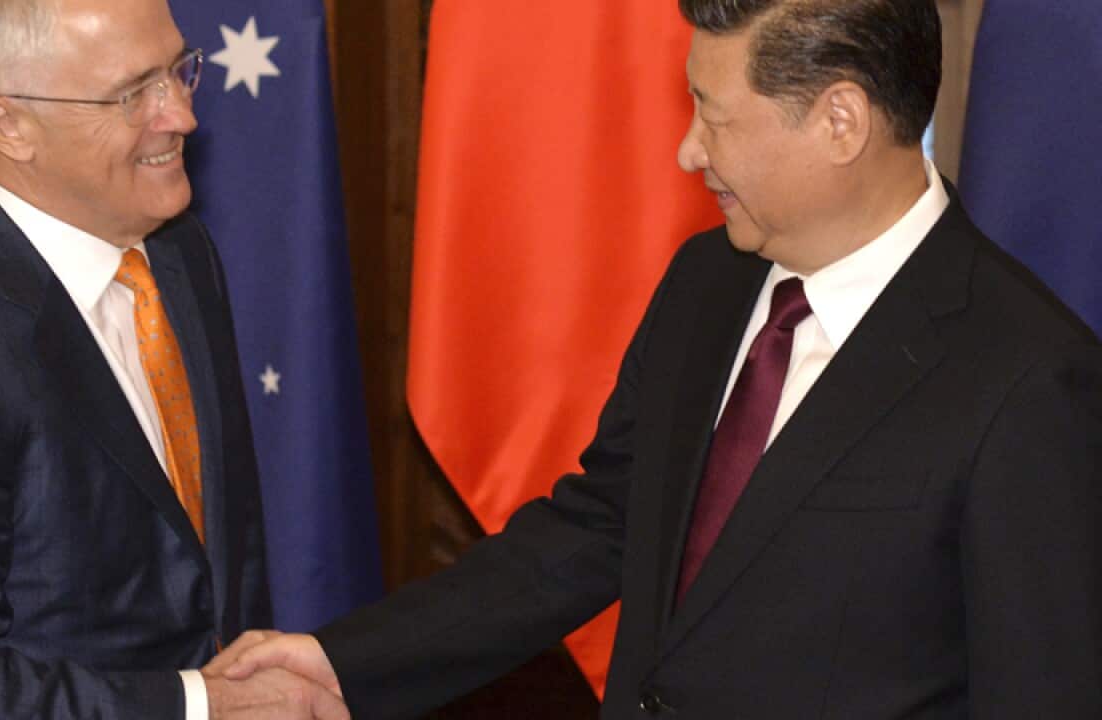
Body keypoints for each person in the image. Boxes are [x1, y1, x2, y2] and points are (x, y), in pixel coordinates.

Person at [212, 0, 1102, 717]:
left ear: (841, 121)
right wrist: (342, 662)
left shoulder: (1028, 377)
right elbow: (602, 524)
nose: (687, 150)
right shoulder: (706, 280)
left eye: (713, 115)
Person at [0, 0, 347, 718]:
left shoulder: (176, 251)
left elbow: (213, 560)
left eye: (177, 72)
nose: (182, 116)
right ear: (10, 125)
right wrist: (199, 704)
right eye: (133, 93)